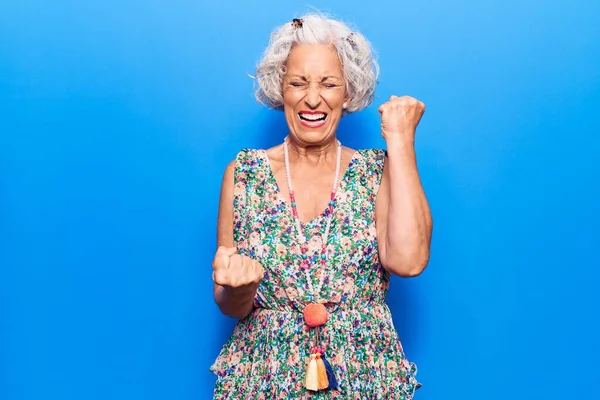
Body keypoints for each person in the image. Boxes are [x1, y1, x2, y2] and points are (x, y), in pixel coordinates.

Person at [210, 12, 432, 399]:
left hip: (365, 377)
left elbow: (409, 262)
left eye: (328, 84)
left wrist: (400, 141)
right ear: (281, 89)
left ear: (347, 92)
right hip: (264, 378)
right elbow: (232, 305)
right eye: (298, 83)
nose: (312, 98)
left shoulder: (375, 172)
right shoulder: (243, 173)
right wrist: (237, 287)